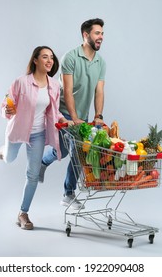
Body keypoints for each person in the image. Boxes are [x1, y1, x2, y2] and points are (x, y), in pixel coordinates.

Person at [0, 46, 71, 230]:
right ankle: (3, 151)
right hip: (17, 130)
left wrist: (65, 121)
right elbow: (6, 105)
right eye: (45, 57)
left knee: (33, 174)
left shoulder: (54, 85)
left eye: (52, 58)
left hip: (38, 134)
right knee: (9, 159)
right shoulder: (21, 82)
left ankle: (23, 213)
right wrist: (7, 109)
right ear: (35, 60)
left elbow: (54, 112)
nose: (49, 61)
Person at [39, 18, 106, 209]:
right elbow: (67, 90)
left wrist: (98, 115)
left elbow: (99, 91)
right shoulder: (70, 57)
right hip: (64, 112)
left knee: (66, 150)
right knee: (76, 151)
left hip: (82, 115)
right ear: (86, 35)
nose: (100, 37)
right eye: (97, 33)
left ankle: (44, 163)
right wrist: (74, 118)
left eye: (102, 33)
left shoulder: (101, 63)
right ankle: (68, 194)